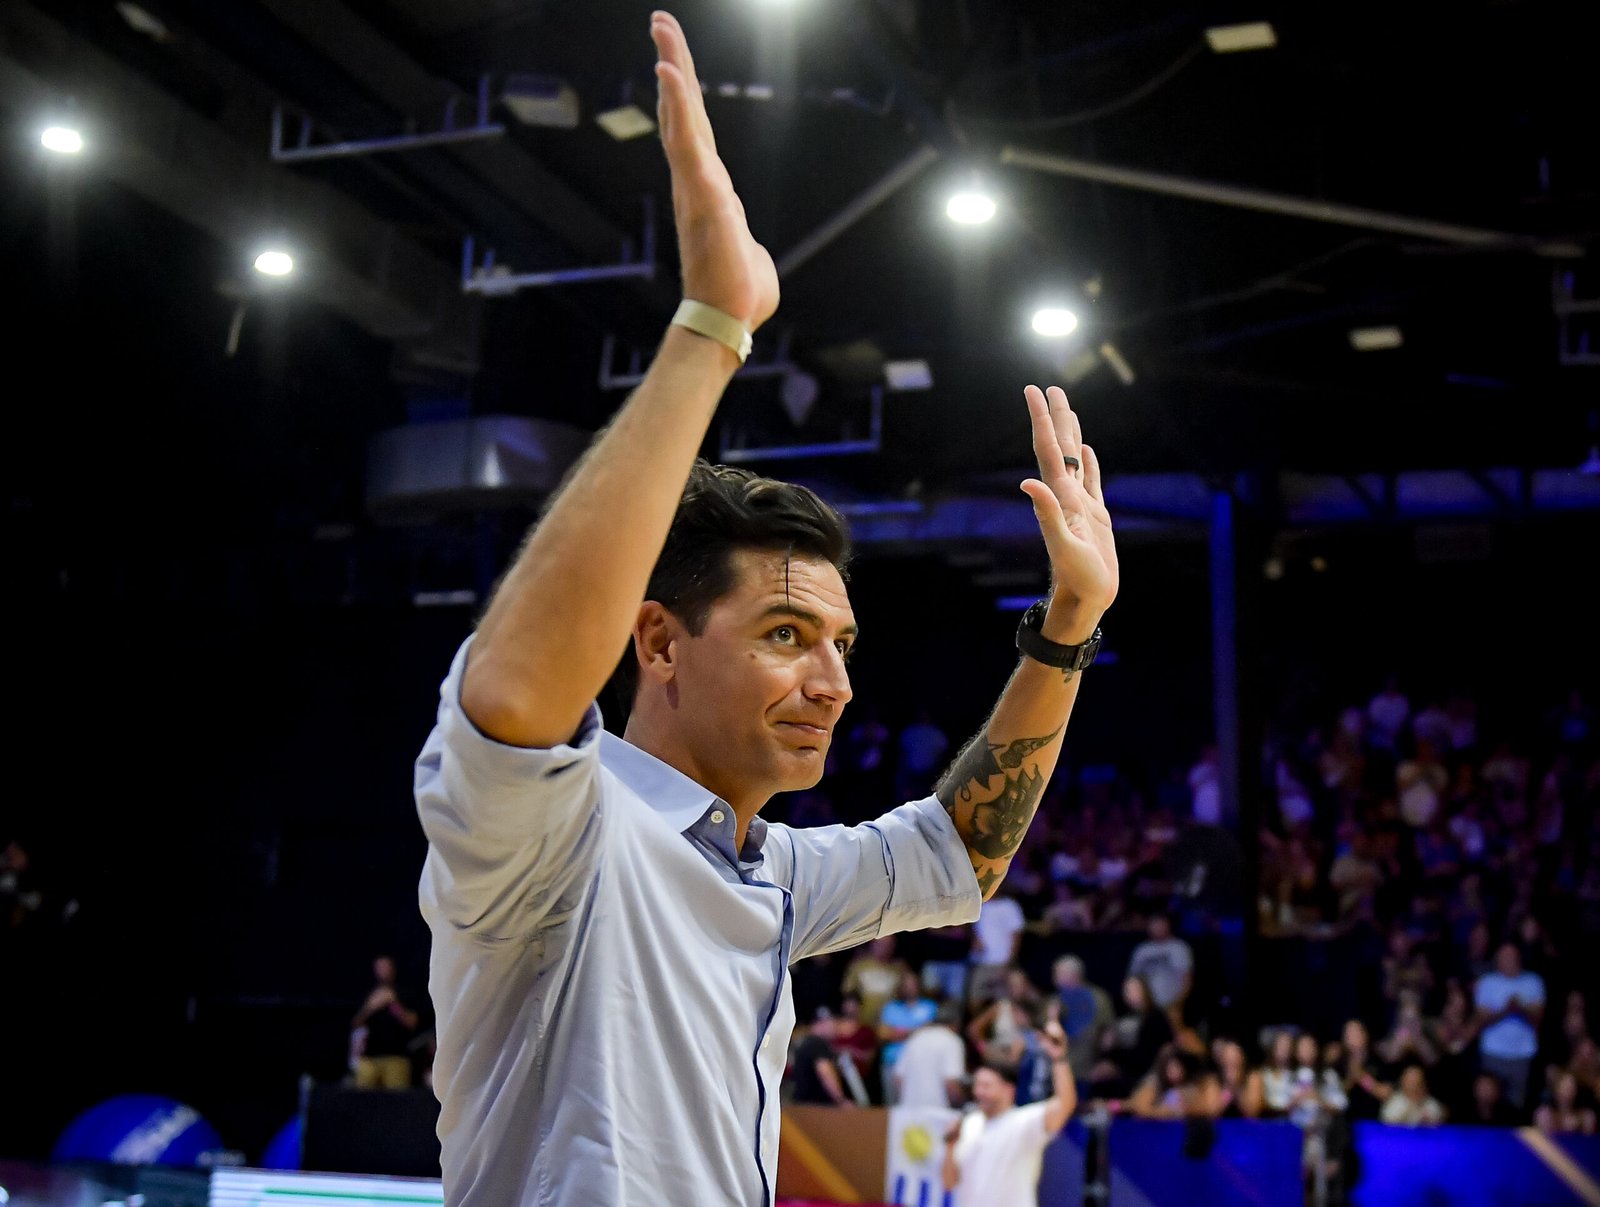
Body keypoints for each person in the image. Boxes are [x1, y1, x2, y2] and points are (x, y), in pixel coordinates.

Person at [412, 14, 1122, 1205]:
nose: (833, 684)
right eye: (786, 636)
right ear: (658, 641)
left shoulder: (774, 870)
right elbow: (516, 691)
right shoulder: (559, 831)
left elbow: (962, 849)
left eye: (841, 644)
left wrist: (1068, 627)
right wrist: (712, 328)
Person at [942, 1023, 1076, 1207]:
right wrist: (950, 1147)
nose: (979, 1092)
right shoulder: (969, 1123)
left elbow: (1065, 1104)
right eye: (977, 1085)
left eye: (987, 1086)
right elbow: (949, 1183)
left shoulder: (1023, 1122)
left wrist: (1059, 1058)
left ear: (1008, 1089)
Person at [1474, 941, 1546, 1111]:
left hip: (1523, 1053)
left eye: (1512, 956)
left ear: (1519, 958)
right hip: (1493, 1052)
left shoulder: (1533, 981)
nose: (1509, 960)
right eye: (1504, 956)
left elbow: (1539, 1017)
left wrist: (1520, 1007)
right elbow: (1481, 1018)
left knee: (1517, 1105)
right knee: (1490, 1102)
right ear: (1498, 959)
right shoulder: (1487, 982)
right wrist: (1506, 1010)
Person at [351, 955, 419, 1090]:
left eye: (386, 967)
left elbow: (412, 1023)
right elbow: (356, 1023)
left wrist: (393, 1004)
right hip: (369, 1057)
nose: (383, 971)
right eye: (380, 967)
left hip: (397, 1057)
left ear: (393, 969)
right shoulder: (368, 994)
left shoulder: (404, 993)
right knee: (362, 1098)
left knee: (396, 1099)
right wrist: (371, 1007)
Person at [877, 971, 938, 1103]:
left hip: (920, 1065)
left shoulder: (929, 1006)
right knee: (892, 1104)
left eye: (913, 984)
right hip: (893, 1061)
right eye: (906, 985)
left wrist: (898, 1032)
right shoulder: (891, 1007)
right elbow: (883, 1034)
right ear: (901, 987)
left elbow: (931, 1033)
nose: (910, 988)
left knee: (918, 1103)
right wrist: (916, 1030)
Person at [895, 1001, 968, 1110]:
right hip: (939, 1111)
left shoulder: (916, 1037)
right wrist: (963, 1103)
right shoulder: (952, 1040)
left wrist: (911, 1099)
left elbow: (899, 1078)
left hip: (909, 1110)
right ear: (956, 1024)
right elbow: (951, 1083)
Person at [1126, 913, 1193, 1024]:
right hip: (1146, 1006)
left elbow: (1187, 979)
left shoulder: (1179, 947)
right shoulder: (1142, 950)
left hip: (1172, 1005)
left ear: (1168, 925)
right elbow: (1132, 980)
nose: (1157, 927)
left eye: (1160, 923)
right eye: (1154, 924)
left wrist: (1178, 1004)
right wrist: (1136, 1002)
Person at [787, 1010, 853, 1107]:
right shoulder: (818, 1044)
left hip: (800, 1104)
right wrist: (841, 1100)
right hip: (815, 1107)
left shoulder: (805, 1042)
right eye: (834, 1022)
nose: (836, 1028)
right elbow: (825, 1072)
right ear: (823, 1023)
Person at [1380, 1065, 1446, 1126]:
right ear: (1403, 1082)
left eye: (1417, 1082)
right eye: (1410, 1081)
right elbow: (1388, 1120)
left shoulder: (1429, 1103)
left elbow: (1438, 1119)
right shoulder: (1394, 1101)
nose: (1414, 1086)